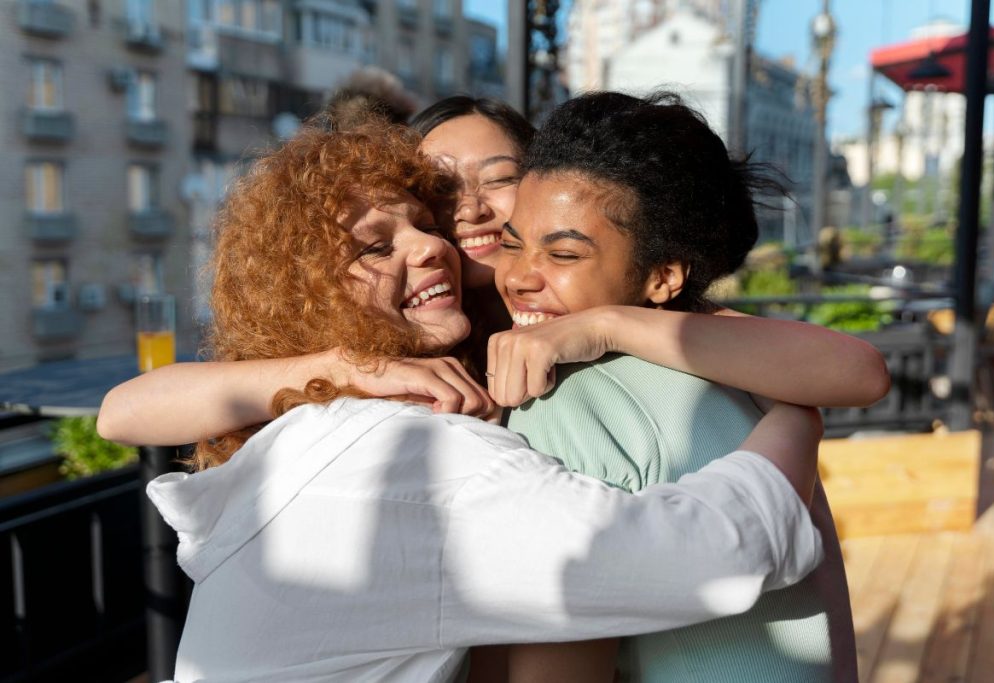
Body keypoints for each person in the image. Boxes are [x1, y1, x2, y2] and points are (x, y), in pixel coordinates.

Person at [145, 116, 824, 681]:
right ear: (305, 296)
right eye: (377, 246)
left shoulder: (307, 431)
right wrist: (797, 415)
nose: (432, 247)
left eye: (424, 224)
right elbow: (714, 553)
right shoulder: (411, 452)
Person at [491, 91, 840, 682]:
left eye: (565, 253)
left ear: (661, 277)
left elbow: (561, 664)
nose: (521, 276)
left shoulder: (558, 400)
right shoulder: (748, 374)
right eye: (511, 242)